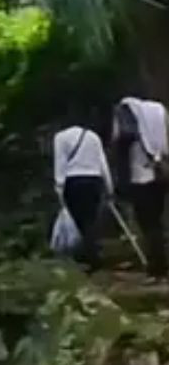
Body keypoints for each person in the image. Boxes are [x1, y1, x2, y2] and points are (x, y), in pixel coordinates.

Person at [113, 96, 169, 280]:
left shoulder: (130, 121)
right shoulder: (158, 116)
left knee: (149, 224)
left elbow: (121, 142)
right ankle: (159, 265)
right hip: (161, 175)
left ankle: (156, 269)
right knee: (157, 223)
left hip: (141, 178)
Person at [52, 113, 113, 272]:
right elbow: (102, 162)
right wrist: (109, 186)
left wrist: (59, 188)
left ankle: (87, 258)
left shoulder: (61, 137)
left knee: (77, 221)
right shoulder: (93, 137)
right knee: (90, 219)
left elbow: (60, 163)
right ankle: (92, 255)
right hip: (94, 179)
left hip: (73, 181)